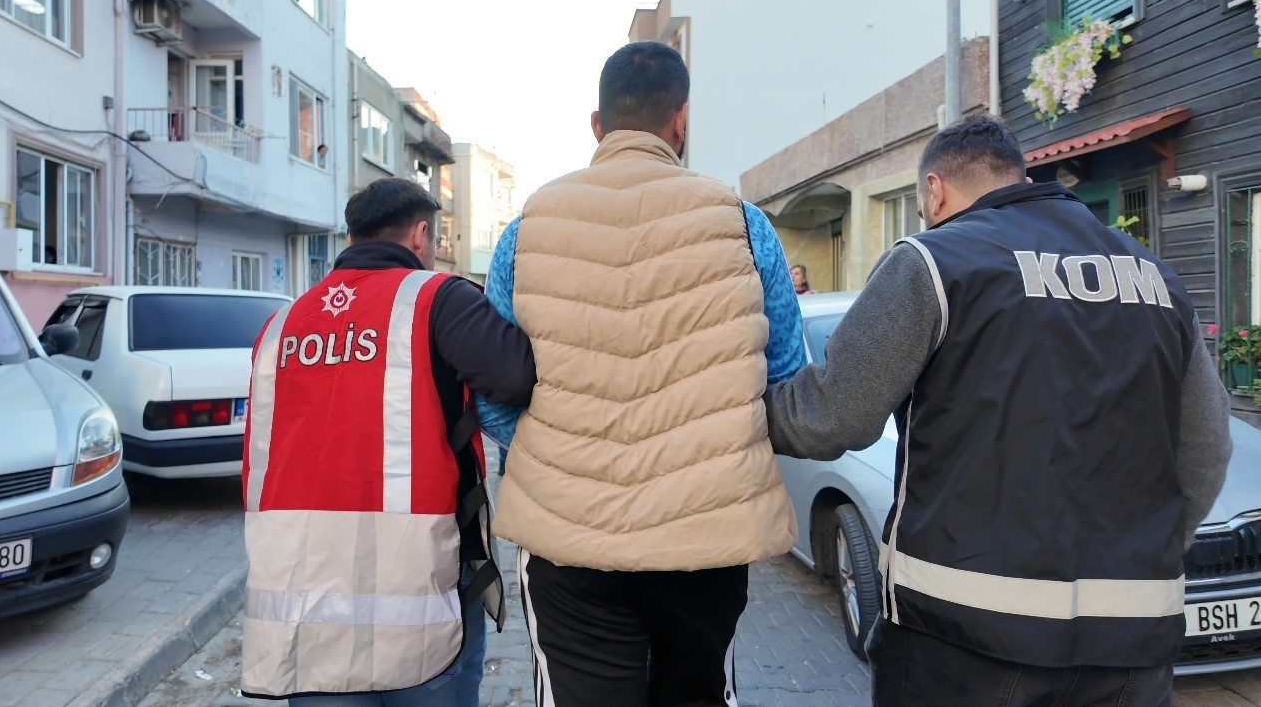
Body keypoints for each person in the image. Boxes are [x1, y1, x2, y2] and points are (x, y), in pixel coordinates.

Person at [763, 115, 1233, 705]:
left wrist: (745, 411)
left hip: (964, 637)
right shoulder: (1155, 278)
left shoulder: (934, 263)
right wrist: (1143, 554)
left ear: (934, 191)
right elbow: (1208, 449)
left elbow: (833, 415)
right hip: (1131, 650)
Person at [477, 41, 806, 705]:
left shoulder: (527, 228)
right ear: (680, 120)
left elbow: (492, 392)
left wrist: (553, 458)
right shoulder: (742, 226)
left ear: (597, 126)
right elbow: (785, 376)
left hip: (568, 543)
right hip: (706, 538)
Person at [240, 177, 536, 705]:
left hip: (305, 604)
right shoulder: (436, 299)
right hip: (419, 601)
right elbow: (515, 378)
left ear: (351, 238)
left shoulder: (280, 325)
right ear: (420, 236)